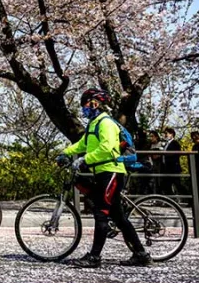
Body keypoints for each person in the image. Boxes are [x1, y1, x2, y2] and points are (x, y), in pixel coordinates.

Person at [61, 88, 151, 268]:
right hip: (103, 172)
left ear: (95, 103)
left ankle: (94, 257)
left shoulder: (106, 123)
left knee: (101, 213)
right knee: (119, 217)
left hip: (111, 172)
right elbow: (82, 143)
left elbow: (107, 148)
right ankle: (141, 254)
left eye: (85, 104)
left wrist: (84, 159)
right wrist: (64, 152)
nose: (84, 108)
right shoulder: (94, 124)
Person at [163, 127, 184, 197]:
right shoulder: (166, 144)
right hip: (167, 168)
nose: (165, 135)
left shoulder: (175, 143)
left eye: (166, 133)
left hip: (173, 168)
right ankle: (171, 200)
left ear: (172, 134)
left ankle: (191, 200)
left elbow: (177, 153)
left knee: (178, 184)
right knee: (167, 185)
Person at [149, 130, 165, 194]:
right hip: (153, 165)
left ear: (156, 137)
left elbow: (159, 155)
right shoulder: (151, 145)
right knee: (154, 181)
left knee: (160, 181)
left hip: (160, 165)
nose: (151, 138)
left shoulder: (161, 144)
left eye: (152, 136)